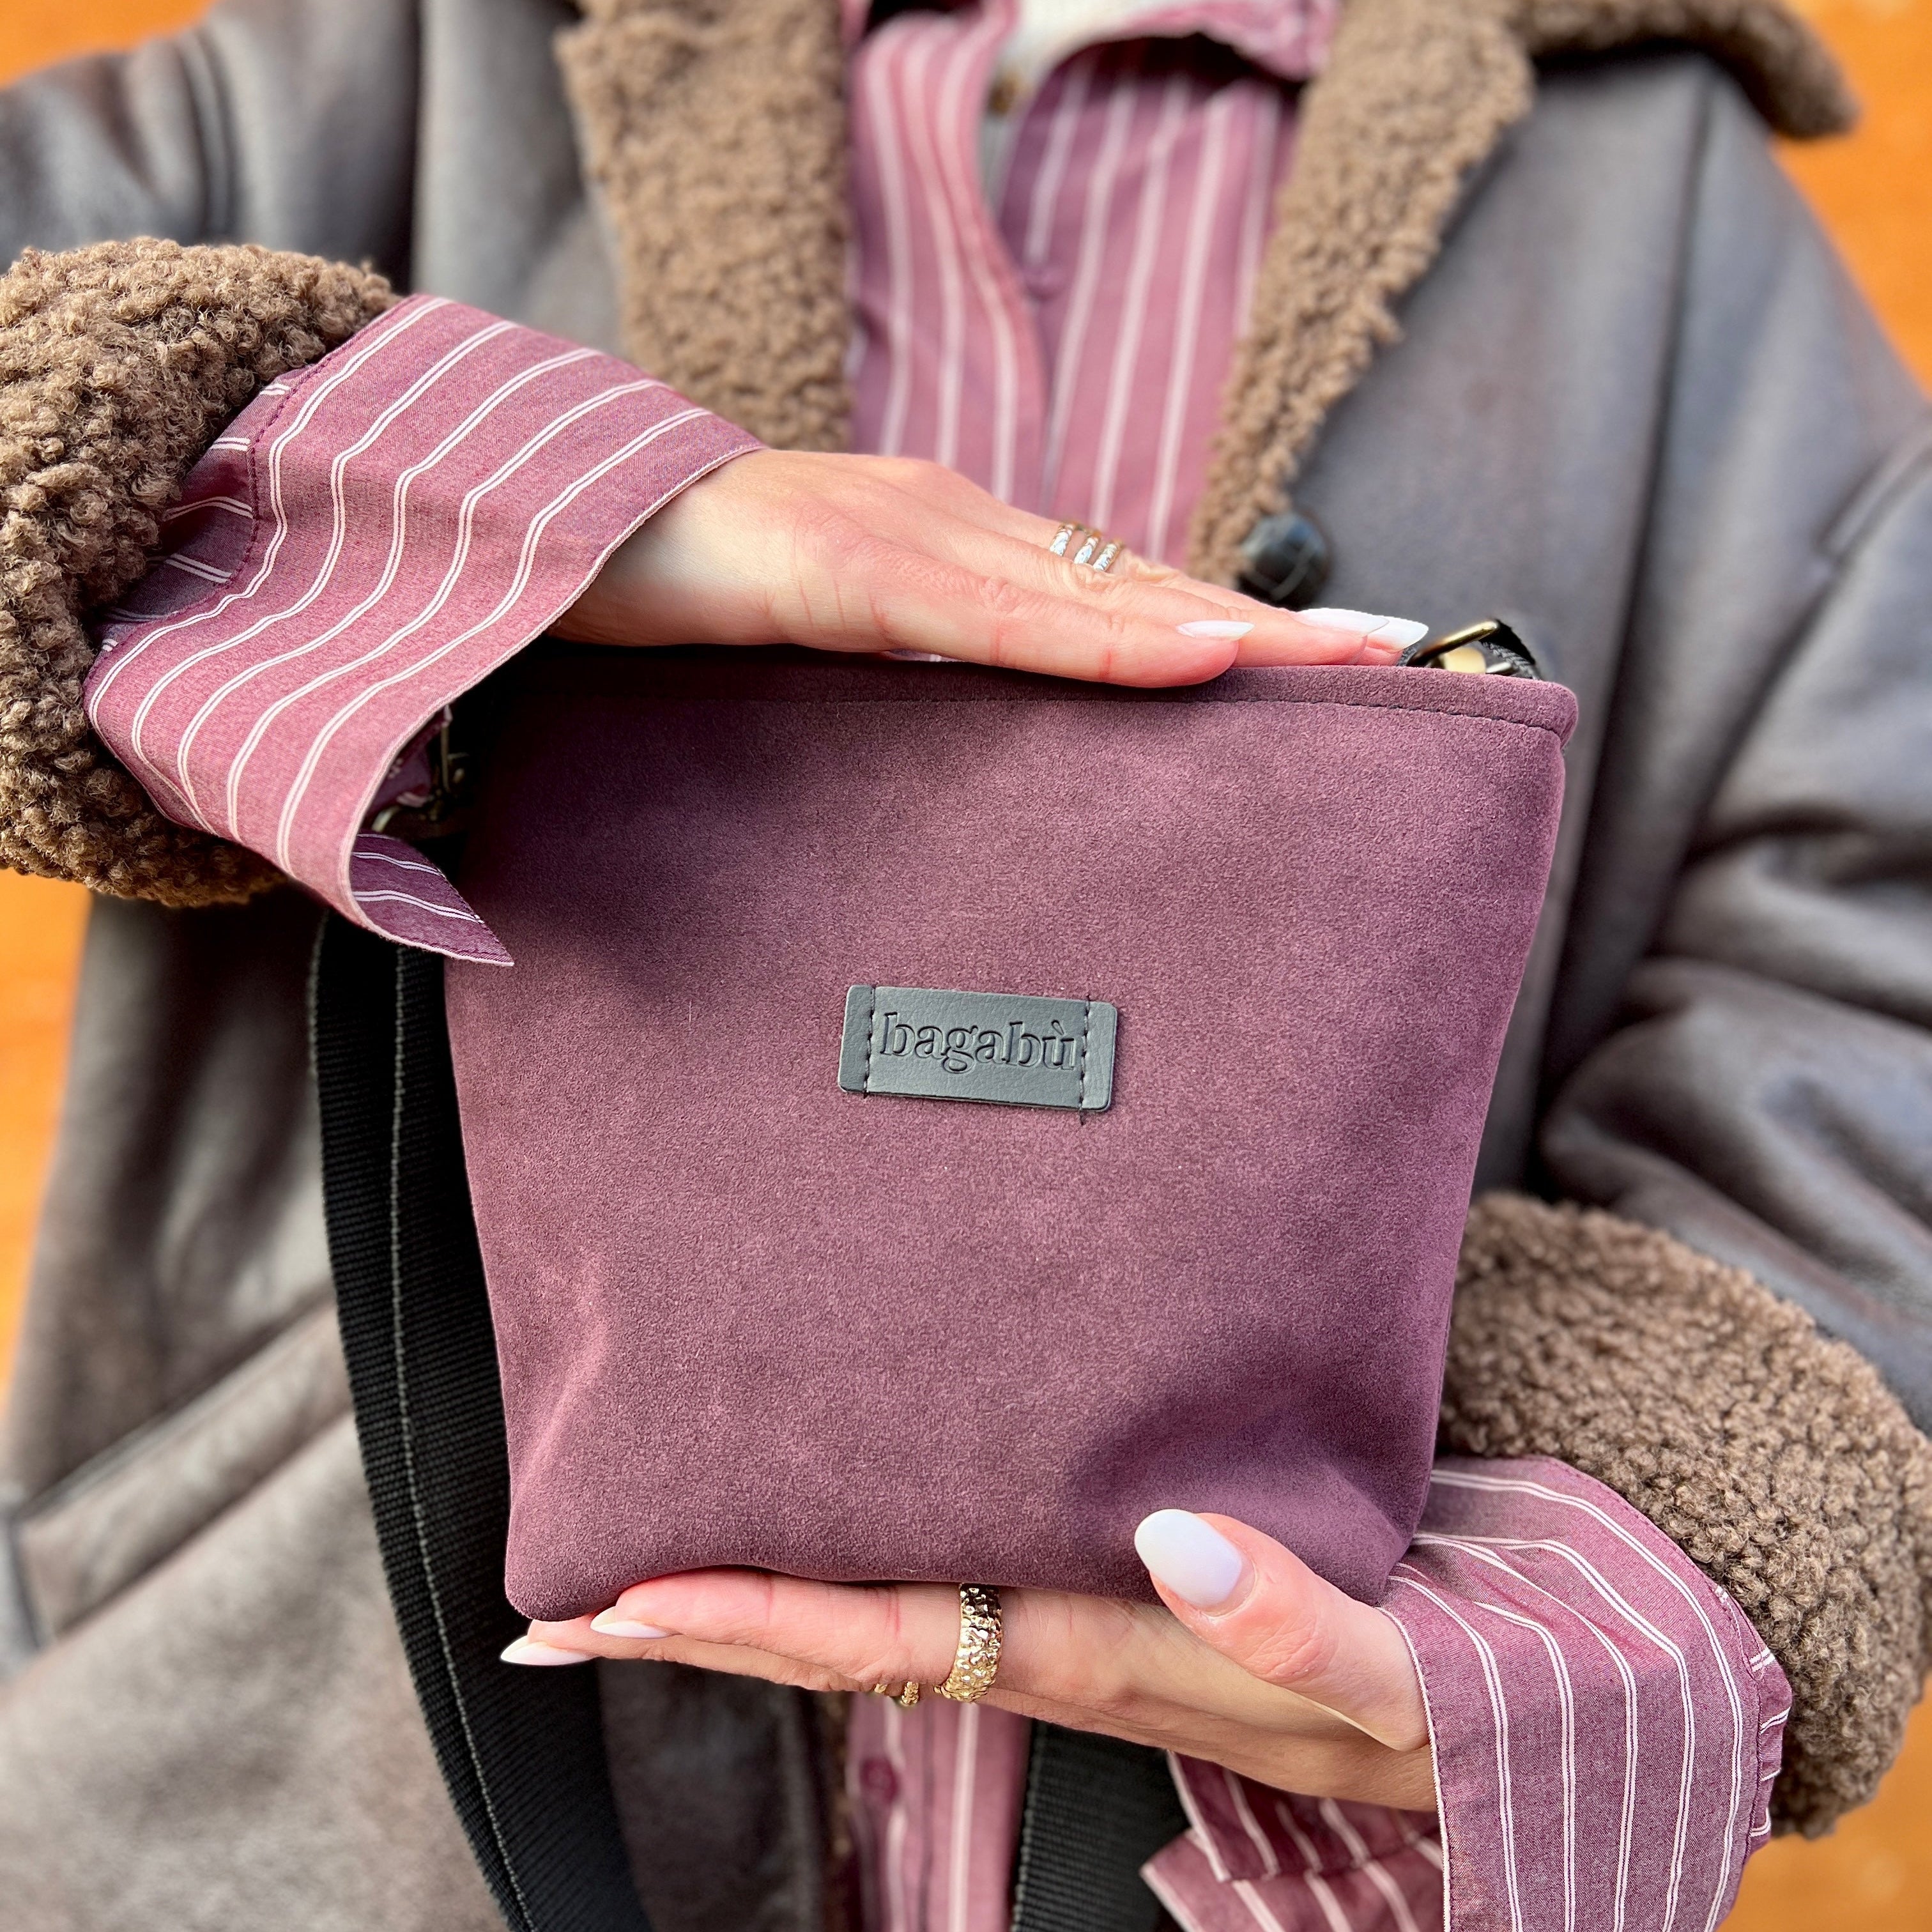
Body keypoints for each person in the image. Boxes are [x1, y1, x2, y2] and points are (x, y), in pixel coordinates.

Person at [1, 2, 1928, 1929]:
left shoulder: (1658, 195)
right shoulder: (384, 67)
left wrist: (1605, 1568)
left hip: (1268, 1861)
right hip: (321, 1786)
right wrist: (514, 508)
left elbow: (1878, 950)